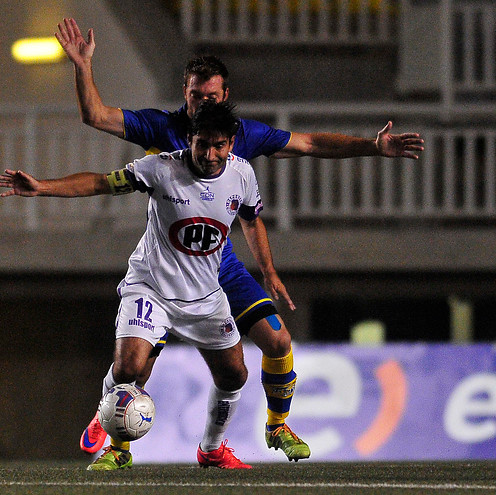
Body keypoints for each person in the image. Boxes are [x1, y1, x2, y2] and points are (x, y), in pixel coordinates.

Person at [55, 17, 425, 462]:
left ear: (224, 98)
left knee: (277, 342)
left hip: (219, 264)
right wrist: (82, 66)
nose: (201, 106)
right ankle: (111, 412)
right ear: (184, 94)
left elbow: (307, 146)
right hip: (171, 258)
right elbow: (95, 116)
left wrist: (370, 146)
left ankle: (275, 426)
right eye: (194, 97)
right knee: (135, 367)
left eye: (210, 97)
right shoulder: (160, 129)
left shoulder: (243, 136)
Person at [0, 102, 285, 470]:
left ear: (231, 144)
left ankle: (211, 450)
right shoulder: (161, 168)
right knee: (129, 367)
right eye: (202, 145)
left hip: (205, 296)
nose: (210, 155)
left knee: (235, 374)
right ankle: (116, 445)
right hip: (151, 288)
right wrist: (43, 187)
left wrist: (268, 269)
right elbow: (102, 182)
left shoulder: (242, 174)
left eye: (219, 146)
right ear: (190, 139)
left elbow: (250, 218)